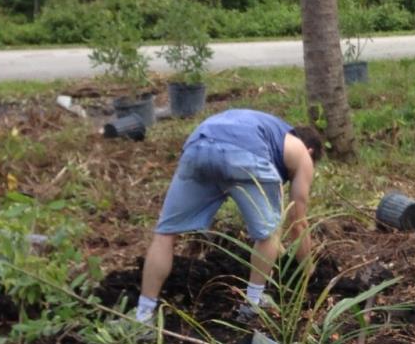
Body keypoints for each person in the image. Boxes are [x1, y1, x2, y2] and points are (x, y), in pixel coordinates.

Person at [135, 109, 323, 325]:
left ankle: (143, 315)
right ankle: (253, 304)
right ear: (310, 150)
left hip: (198, 145)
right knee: (269, 234)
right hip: (244, 153)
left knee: (165, 234)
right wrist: (309, 270)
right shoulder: (300, 152)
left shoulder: (267, 130)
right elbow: (297, 222)